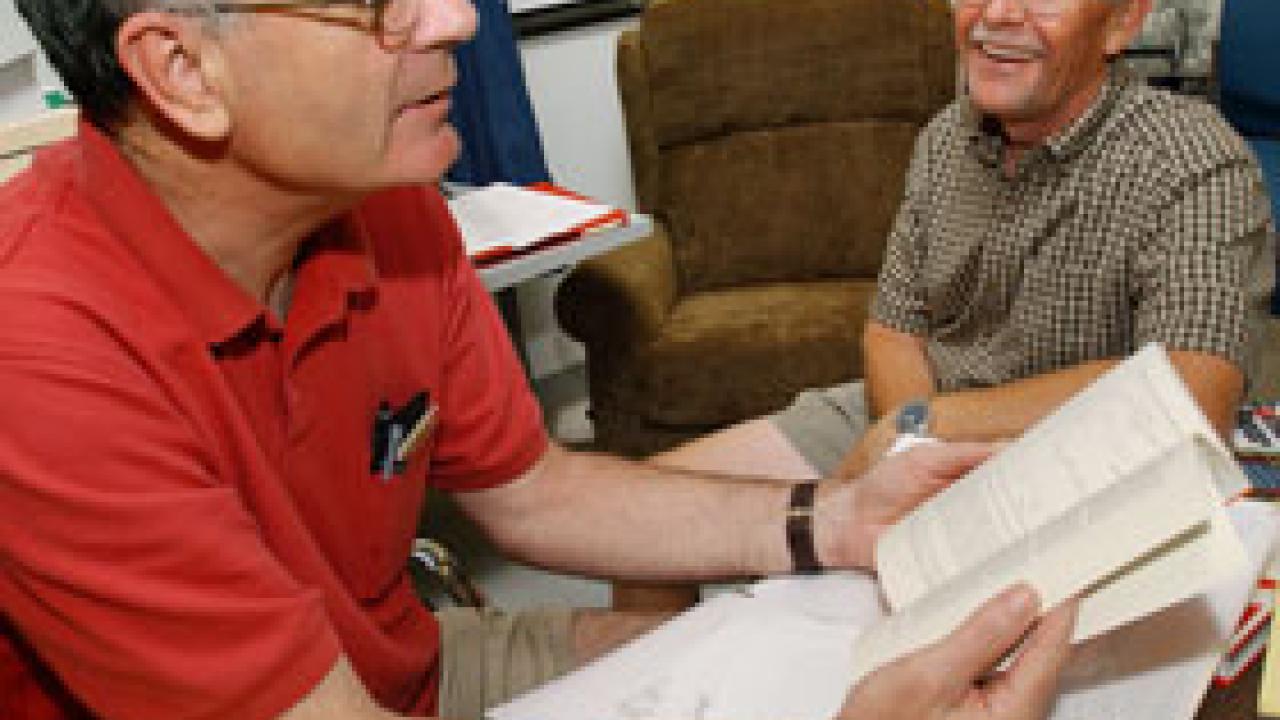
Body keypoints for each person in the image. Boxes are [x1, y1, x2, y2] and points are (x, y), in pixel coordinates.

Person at [0, 0, 1078, 718]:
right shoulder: (37, 355)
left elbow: (531, 493)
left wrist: (832, 521)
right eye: (381, 2)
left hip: (413, 663)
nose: (457, 17)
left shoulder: (391, 207)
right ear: (181, 69)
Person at [617, 0, 1275, 613]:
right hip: (905, 409)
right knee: (645, 517)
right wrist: (908, 446)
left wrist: (932, 428)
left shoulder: (1194, 160)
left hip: (1071, 450)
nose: (996, 15)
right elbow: (893, 331)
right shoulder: (943, 138)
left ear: (1122, 23)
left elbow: (1190, 396)